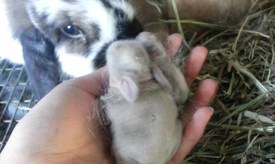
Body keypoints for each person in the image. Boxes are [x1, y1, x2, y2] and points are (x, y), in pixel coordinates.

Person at [0, 34, 218, 164]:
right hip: (167, 140)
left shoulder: (117, 97)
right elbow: (176, 93)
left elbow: (115, 114)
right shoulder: (153, 83)